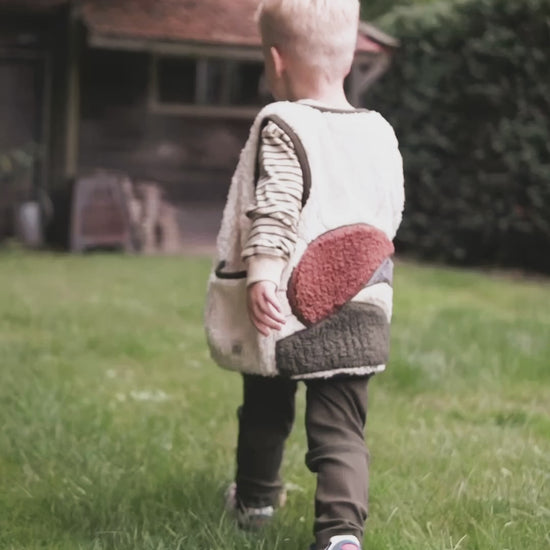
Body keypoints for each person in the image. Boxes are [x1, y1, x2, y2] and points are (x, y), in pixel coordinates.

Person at [205, 1, 405, 549]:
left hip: (287, 306)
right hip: (362, 299)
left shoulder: (285, 124)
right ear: (348, 58)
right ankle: (342, 536)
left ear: (276, 60)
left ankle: (257, 501)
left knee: (267, 406)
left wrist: (263, 273)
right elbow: (388, 213)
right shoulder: (379, 132)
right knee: (342, 426)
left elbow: (276, 204)